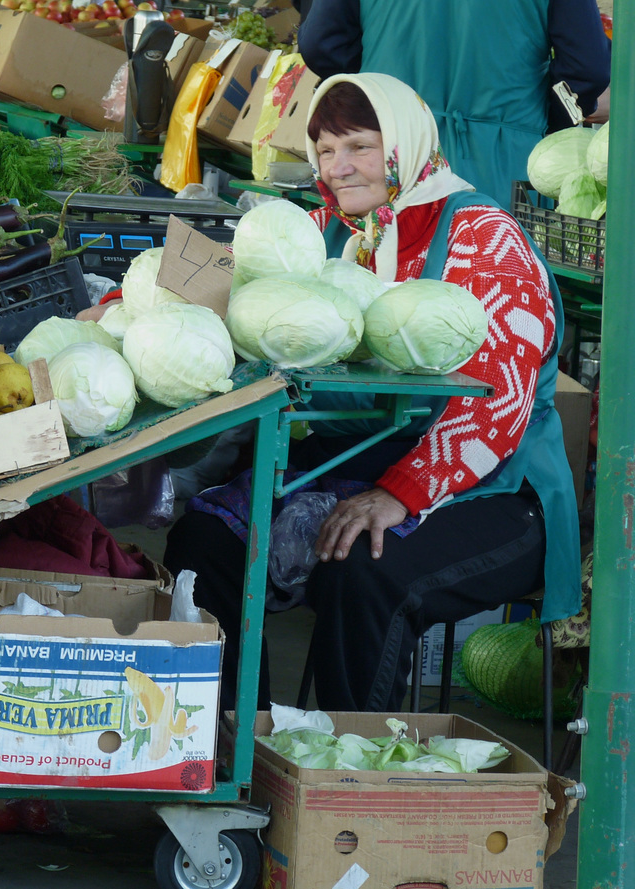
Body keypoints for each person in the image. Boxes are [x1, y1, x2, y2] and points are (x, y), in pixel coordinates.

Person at [162, 73, 582, 713]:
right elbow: (230, 285)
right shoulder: (333, 231)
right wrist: (132, 307)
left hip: (495, 488)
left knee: (362, 572)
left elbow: (497, 399)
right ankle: (238, 748)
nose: (339, 168)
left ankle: (349, 774)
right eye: (325, 151)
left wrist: (399, 493)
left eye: (358, 145)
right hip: (351, 468)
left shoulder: (484, 237)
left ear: (404, 145)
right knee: (205, 546)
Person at [296, 0, 611, 208]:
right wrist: (542, 121)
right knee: (500, 290)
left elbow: (321, 45)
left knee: (385, 297)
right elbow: (588, 68)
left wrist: (379, 95)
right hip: (509, 165)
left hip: (391, 153)